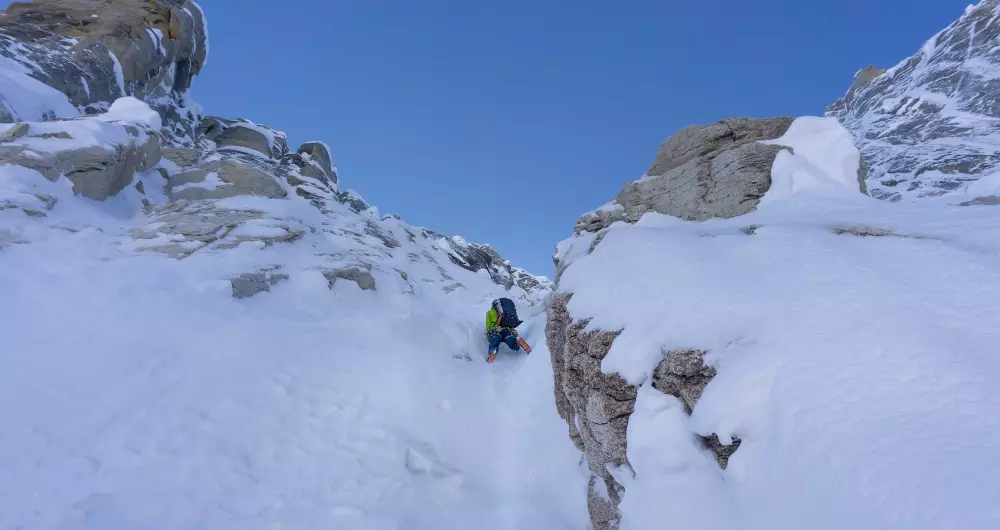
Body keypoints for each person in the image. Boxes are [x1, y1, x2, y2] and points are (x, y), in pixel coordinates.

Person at [485, 297, 523, 363]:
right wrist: (513, 331)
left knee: (495, 338)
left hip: (496, 330)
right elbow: (509, 324)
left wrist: (489, 331)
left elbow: (488, 326)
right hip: (506, 329)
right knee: (510, 338)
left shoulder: (489, 313)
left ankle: (493, 352)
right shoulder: (505, 313)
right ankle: (517, 345)